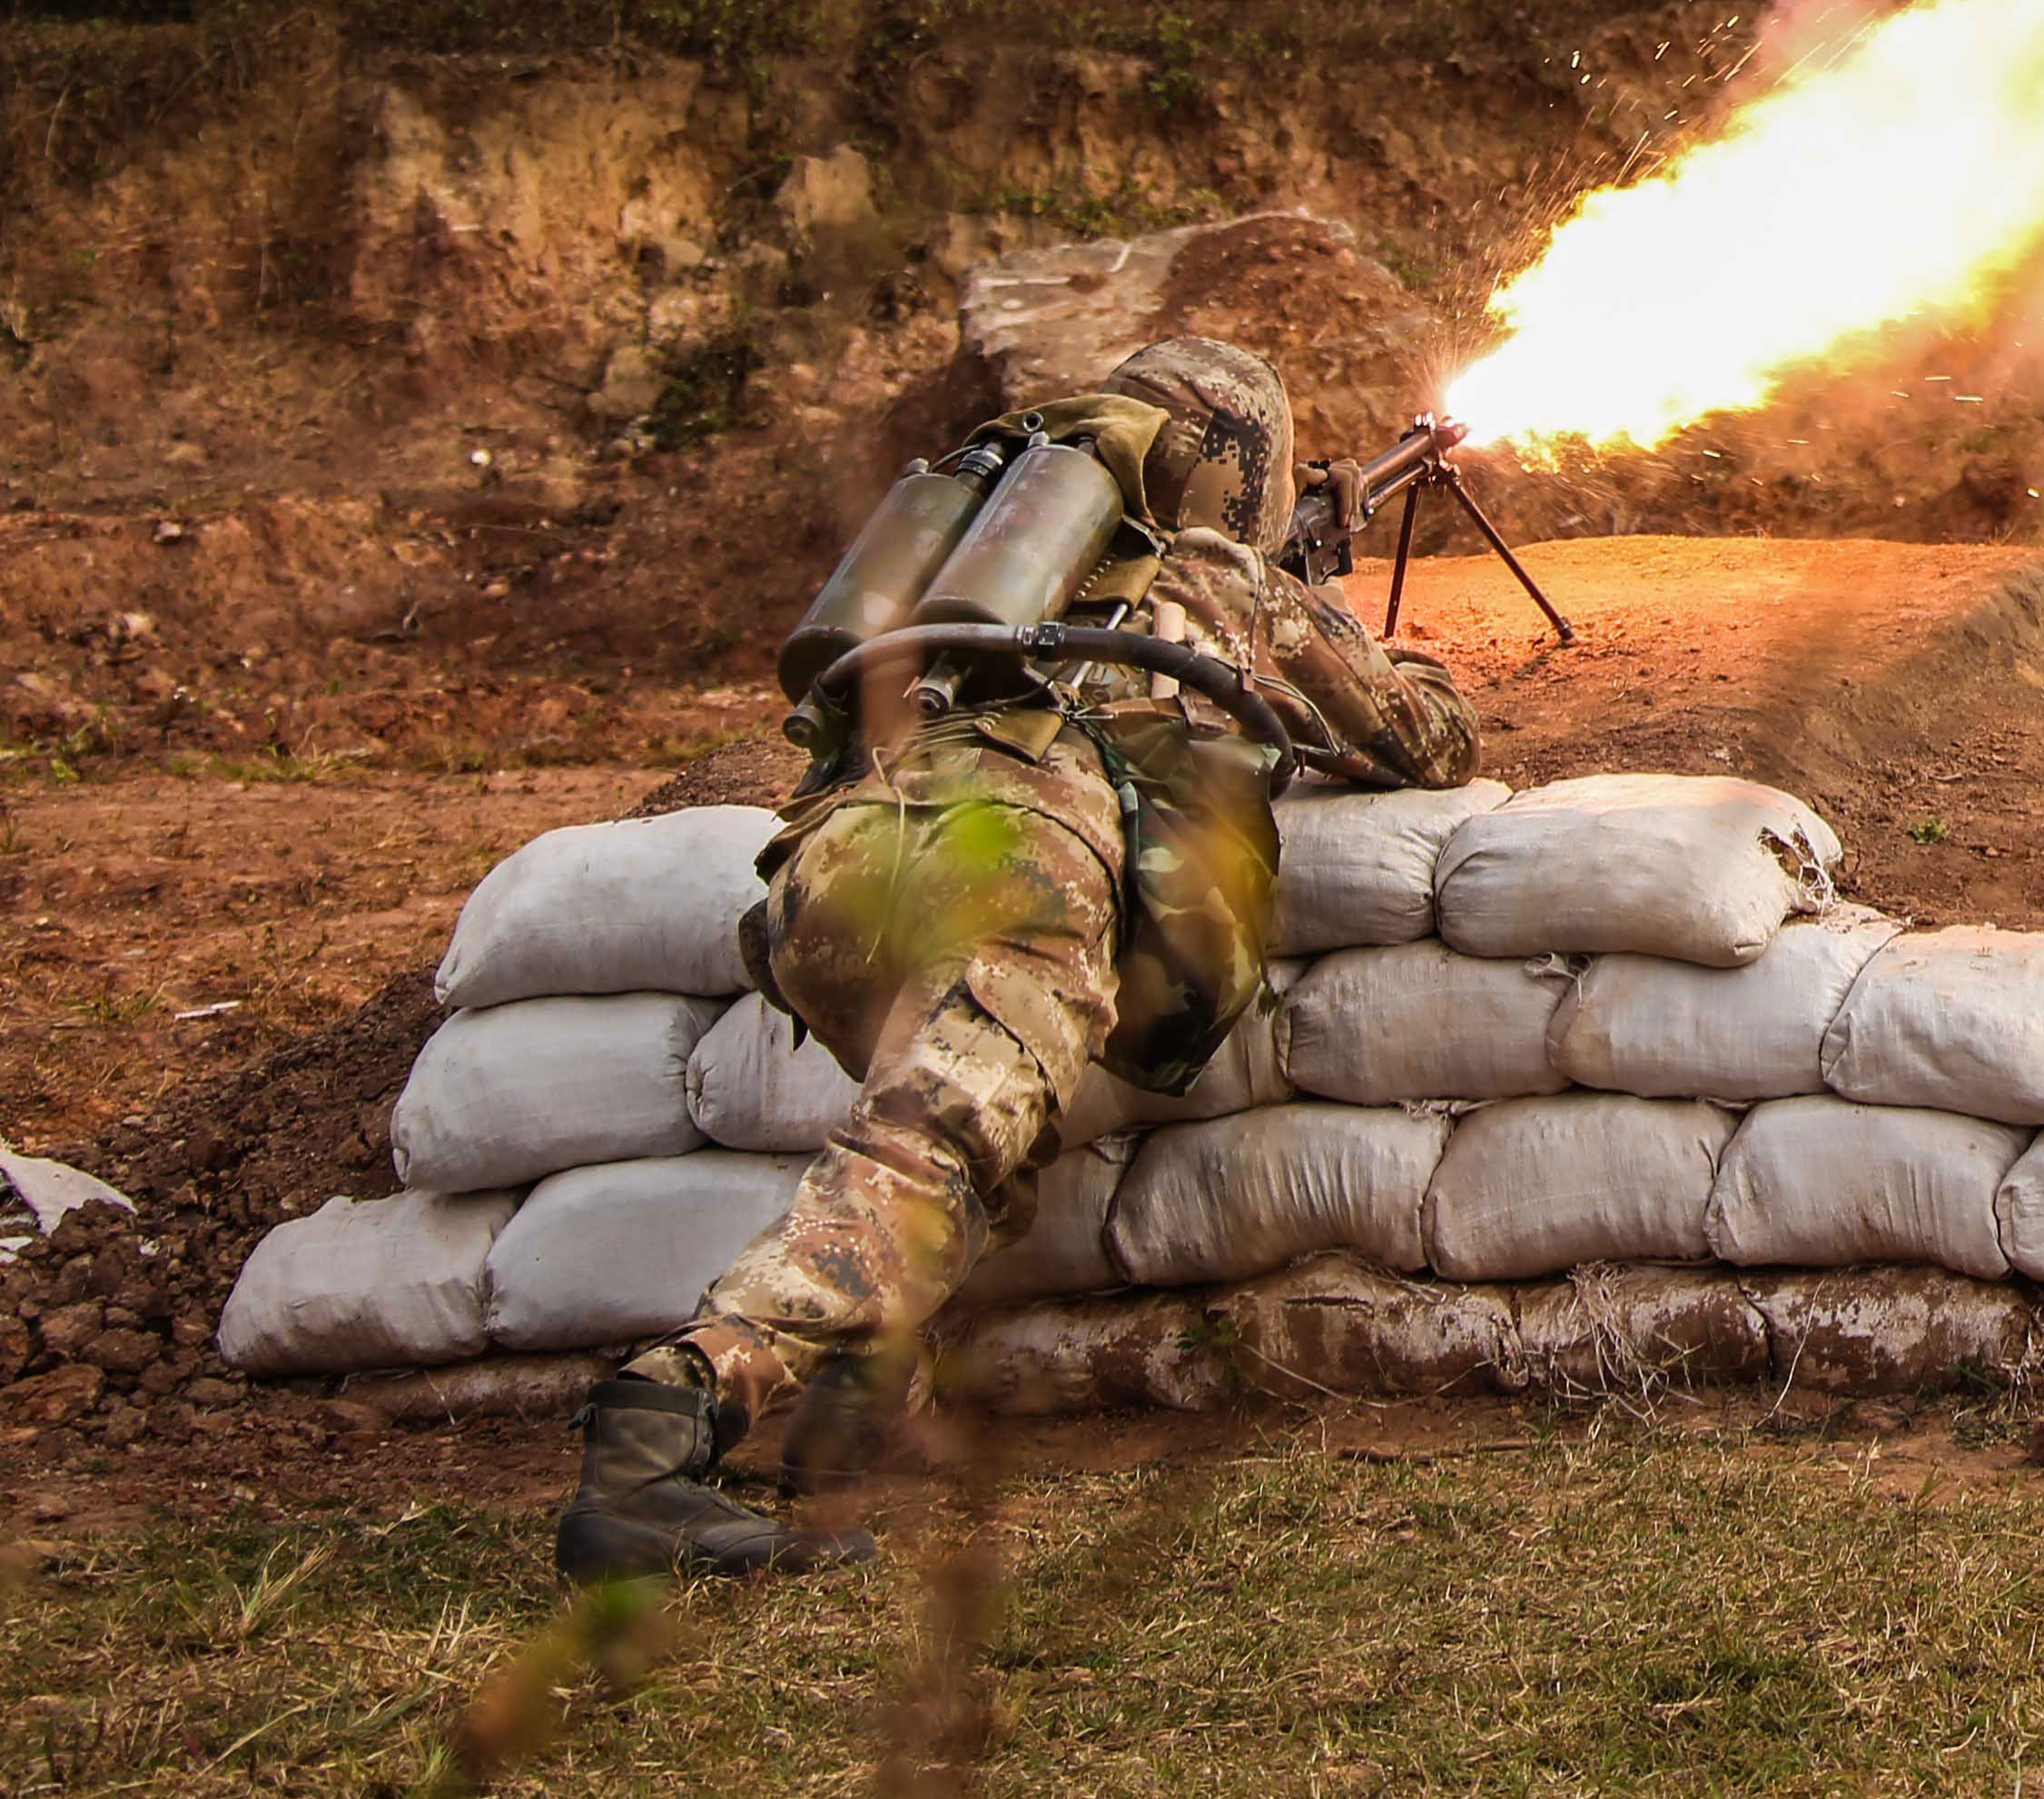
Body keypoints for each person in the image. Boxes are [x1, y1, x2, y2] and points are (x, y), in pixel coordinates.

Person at [553, 337, 1480, 1583]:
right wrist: (1351, 634)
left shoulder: (972, 577)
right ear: (1242, 476)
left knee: (986, 1158)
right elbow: (1431, 738)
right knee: (926, 1153)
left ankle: (851, 1415)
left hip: (827, 882)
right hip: (1014, 870)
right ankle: (659, 1425)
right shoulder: (1217, 574)